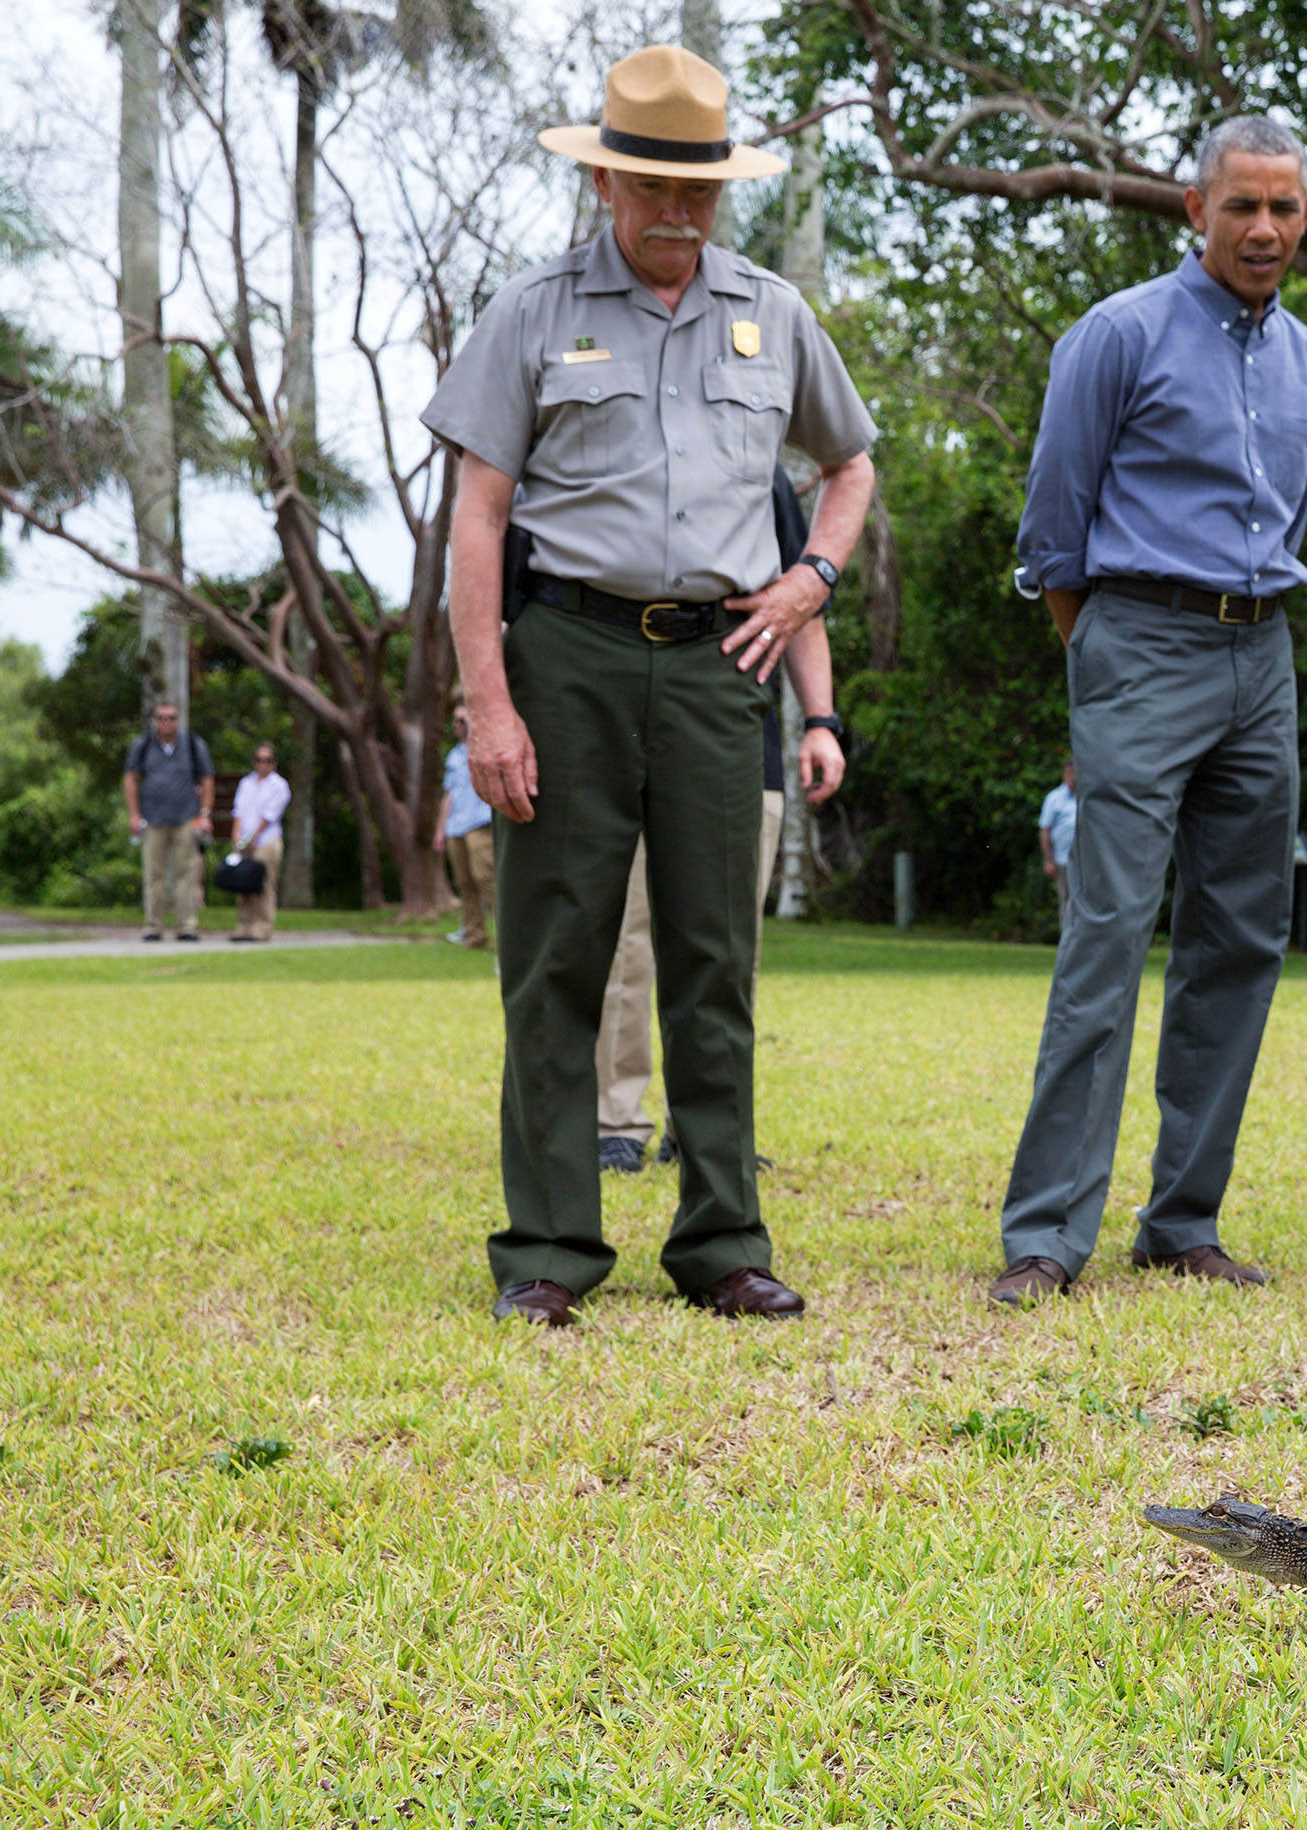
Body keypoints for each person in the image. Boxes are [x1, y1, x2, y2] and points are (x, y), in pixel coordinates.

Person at [420, 44, 873, 1328]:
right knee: (556, 951)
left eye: (700, 188)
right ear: (607, 181)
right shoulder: (532, 310)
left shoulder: (773, 311)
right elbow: (476, 517)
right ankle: (550, 1250)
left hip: (722, 666)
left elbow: (848, 468)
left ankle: (722, 1239)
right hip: (568, 652)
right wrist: (488, 703)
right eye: (652, 185)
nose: (676, 211)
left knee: (713, 956)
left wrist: (809, 585)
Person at [991, 115, 1307, 1308]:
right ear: (1195, 210)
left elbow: (1287, 523)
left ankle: (1182, 1218)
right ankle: (1045, 1234)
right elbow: (1053, 529)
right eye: (1241, 205)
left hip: (1263, 656)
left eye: (1285, 208)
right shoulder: (1118, 335)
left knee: (1242, 941)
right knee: (1106, 932)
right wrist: (1102, 660)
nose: (1264, 229)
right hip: (1136, 638)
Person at [600, 467, 815, 1175]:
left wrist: (822, 720)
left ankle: (708, 1127)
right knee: (628, 937)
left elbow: (805, 601)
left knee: (727, 949)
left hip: (740, 746)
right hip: (626, 735)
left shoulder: (766, 477)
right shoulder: (621, 456)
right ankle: (614, 1119)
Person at [122, 700, 213, 943]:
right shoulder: (142, 746)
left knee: (186, 873)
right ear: (154, 721)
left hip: (186, 817)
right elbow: (131, 779)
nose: (166, 722)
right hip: (153, 818)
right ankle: (153, 925)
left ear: (178, 720)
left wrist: (204, 814)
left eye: (171, 718)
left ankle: (186, 926)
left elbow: (206, 779)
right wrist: (134, 814)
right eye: (161, 718)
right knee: (154, 874)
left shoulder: (193, 745)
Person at [435, 706, 494, 951]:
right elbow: (449, 795)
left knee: (486, 879)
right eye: (455, 720)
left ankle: (509, 937)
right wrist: (441, 830)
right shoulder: (455, 756)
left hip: (479, 823)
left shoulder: (487, 751)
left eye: (462, 719)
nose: (457, 724)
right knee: (465, 884)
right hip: (455, 827)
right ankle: (475, 934)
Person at [224, 743, 290, 942]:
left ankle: (261, 926)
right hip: (243, 841)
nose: (264, 764)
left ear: (274, 763)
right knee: (242, 884)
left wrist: (253, 837)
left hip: (266, 841)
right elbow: (238, 811)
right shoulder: (247, 783)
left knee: (263, 884)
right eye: (260, 760)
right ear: (254, 762)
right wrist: (237, 836)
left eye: (268, 760)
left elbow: (269, 815)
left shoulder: (279, 786)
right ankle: (243, 925)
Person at [1037, 758, 1078, 939]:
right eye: (1070, 773)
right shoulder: (1054, 799)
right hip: (1062, 859)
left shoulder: (1086, 797)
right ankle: (1067, 941)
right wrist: (1048, 860)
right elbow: (1045, 831)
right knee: (1066, 900)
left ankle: (1081, 942)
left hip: (1085, 860)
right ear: (1064, 775)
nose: (1073, 777)